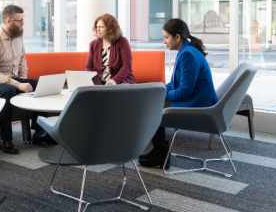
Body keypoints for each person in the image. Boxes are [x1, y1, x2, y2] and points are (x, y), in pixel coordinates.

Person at [138, 18, 218, 169]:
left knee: (153, 106)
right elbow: (177, 84)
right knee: (153, 101)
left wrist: (161, 94)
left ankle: (161, 153)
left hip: (199, 105)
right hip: (196, 99)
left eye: (166, 37)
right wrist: (160, 88)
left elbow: (184, 91)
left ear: (177, 37)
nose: (164, 42)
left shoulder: (188, 55)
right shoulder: (186, 51)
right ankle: (159, 150)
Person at [0, 5, 54, 154]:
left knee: (40, 85)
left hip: (12, 78)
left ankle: (39, 133)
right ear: (9, 21)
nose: (23, 23)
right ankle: (5, 139)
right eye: (20, 20)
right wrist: (17, 84)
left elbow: (22, 59)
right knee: (9, 90)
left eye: (23, 19)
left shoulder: (18, 36)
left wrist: (23, 77)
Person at [85, 14, 136, 85]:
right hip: (101, 83)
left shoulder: (122, 41)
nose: (97, 29)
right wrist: (88, 81)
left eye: (101, 27)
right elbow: (89, 67)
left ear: (110, 29)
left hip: (121, 81)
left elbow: (127, 65)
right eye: (97, 27)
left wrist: (114, 80)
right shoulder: (93, 44)